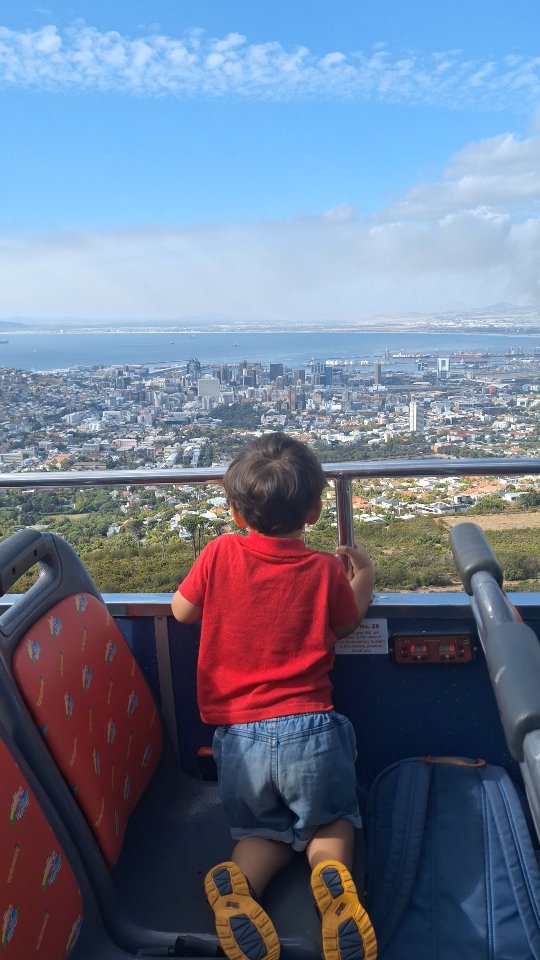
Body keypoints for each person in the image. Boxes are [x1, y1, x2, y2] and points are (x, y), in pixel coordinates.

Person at [171, 432, 376, 960]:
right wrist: (366, 578)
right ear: (313, 512)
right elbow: (347, 623)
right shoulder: (324, 569)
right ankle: (331, 884)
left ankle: (239, 884)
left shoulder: (218, 552)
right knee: (330, 822)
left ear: (237, 513)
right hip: (314, 728)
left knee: (264, 831)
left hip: (239, 740)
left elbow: (181, 612)